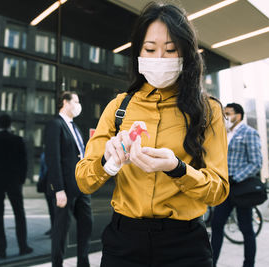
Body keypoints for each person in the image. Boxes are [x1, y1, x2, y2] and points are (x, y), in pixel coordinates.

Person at [75, 3, 229, 267]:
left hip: (184, 244)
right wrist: (108, 163)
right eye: (150, 49)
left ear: (185, 53)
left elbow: (219, 191)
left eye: (170, 50)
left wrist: (178, 169)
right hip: (125, 241)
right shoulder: (118, 107)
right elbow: (84, 180)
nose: (159, 58)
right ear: (138, 52)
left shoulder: (208, 110)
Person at [44, 91, 92, 267]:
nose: (79, 105)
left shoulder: (75, 126)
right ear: (65, 102)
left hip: (80, 187)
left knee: (87, 224)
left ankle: (83, 263)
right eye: (76, 101)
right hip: (64, 189)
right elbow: (53, 159)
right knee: (61, 232)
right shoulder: (55, 125)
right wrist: (59, 190)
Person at [211, 103, 262, 267]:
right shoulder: (225, 134)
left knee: (246, 229)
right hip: (225, 189)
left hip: (241, 190)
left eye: (228, 113)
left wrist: (235, 177)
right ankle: (211, 263)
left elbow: (256, 162)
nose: (225, 117)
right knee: (216, 225)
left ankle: (249, 264)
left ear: (238, 115)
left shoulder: (249, 133)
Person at [0, 114, 33, 259]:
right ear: (10, 125)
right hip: (14, 182)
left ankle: (1, 250)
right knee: (19, 214)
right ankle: (23, 246)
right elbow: (24, 162)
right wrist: (21, 180)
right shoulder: (17, 140)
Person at [37, 151, 55, 236]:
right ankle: (53, 227)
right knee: (51, 207)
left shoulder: (51, 152)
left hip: (53, 181)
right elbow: (42, 169)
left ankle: (55, 229)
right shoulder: (44, 154)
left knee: (54, 207)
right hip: (46, 182)